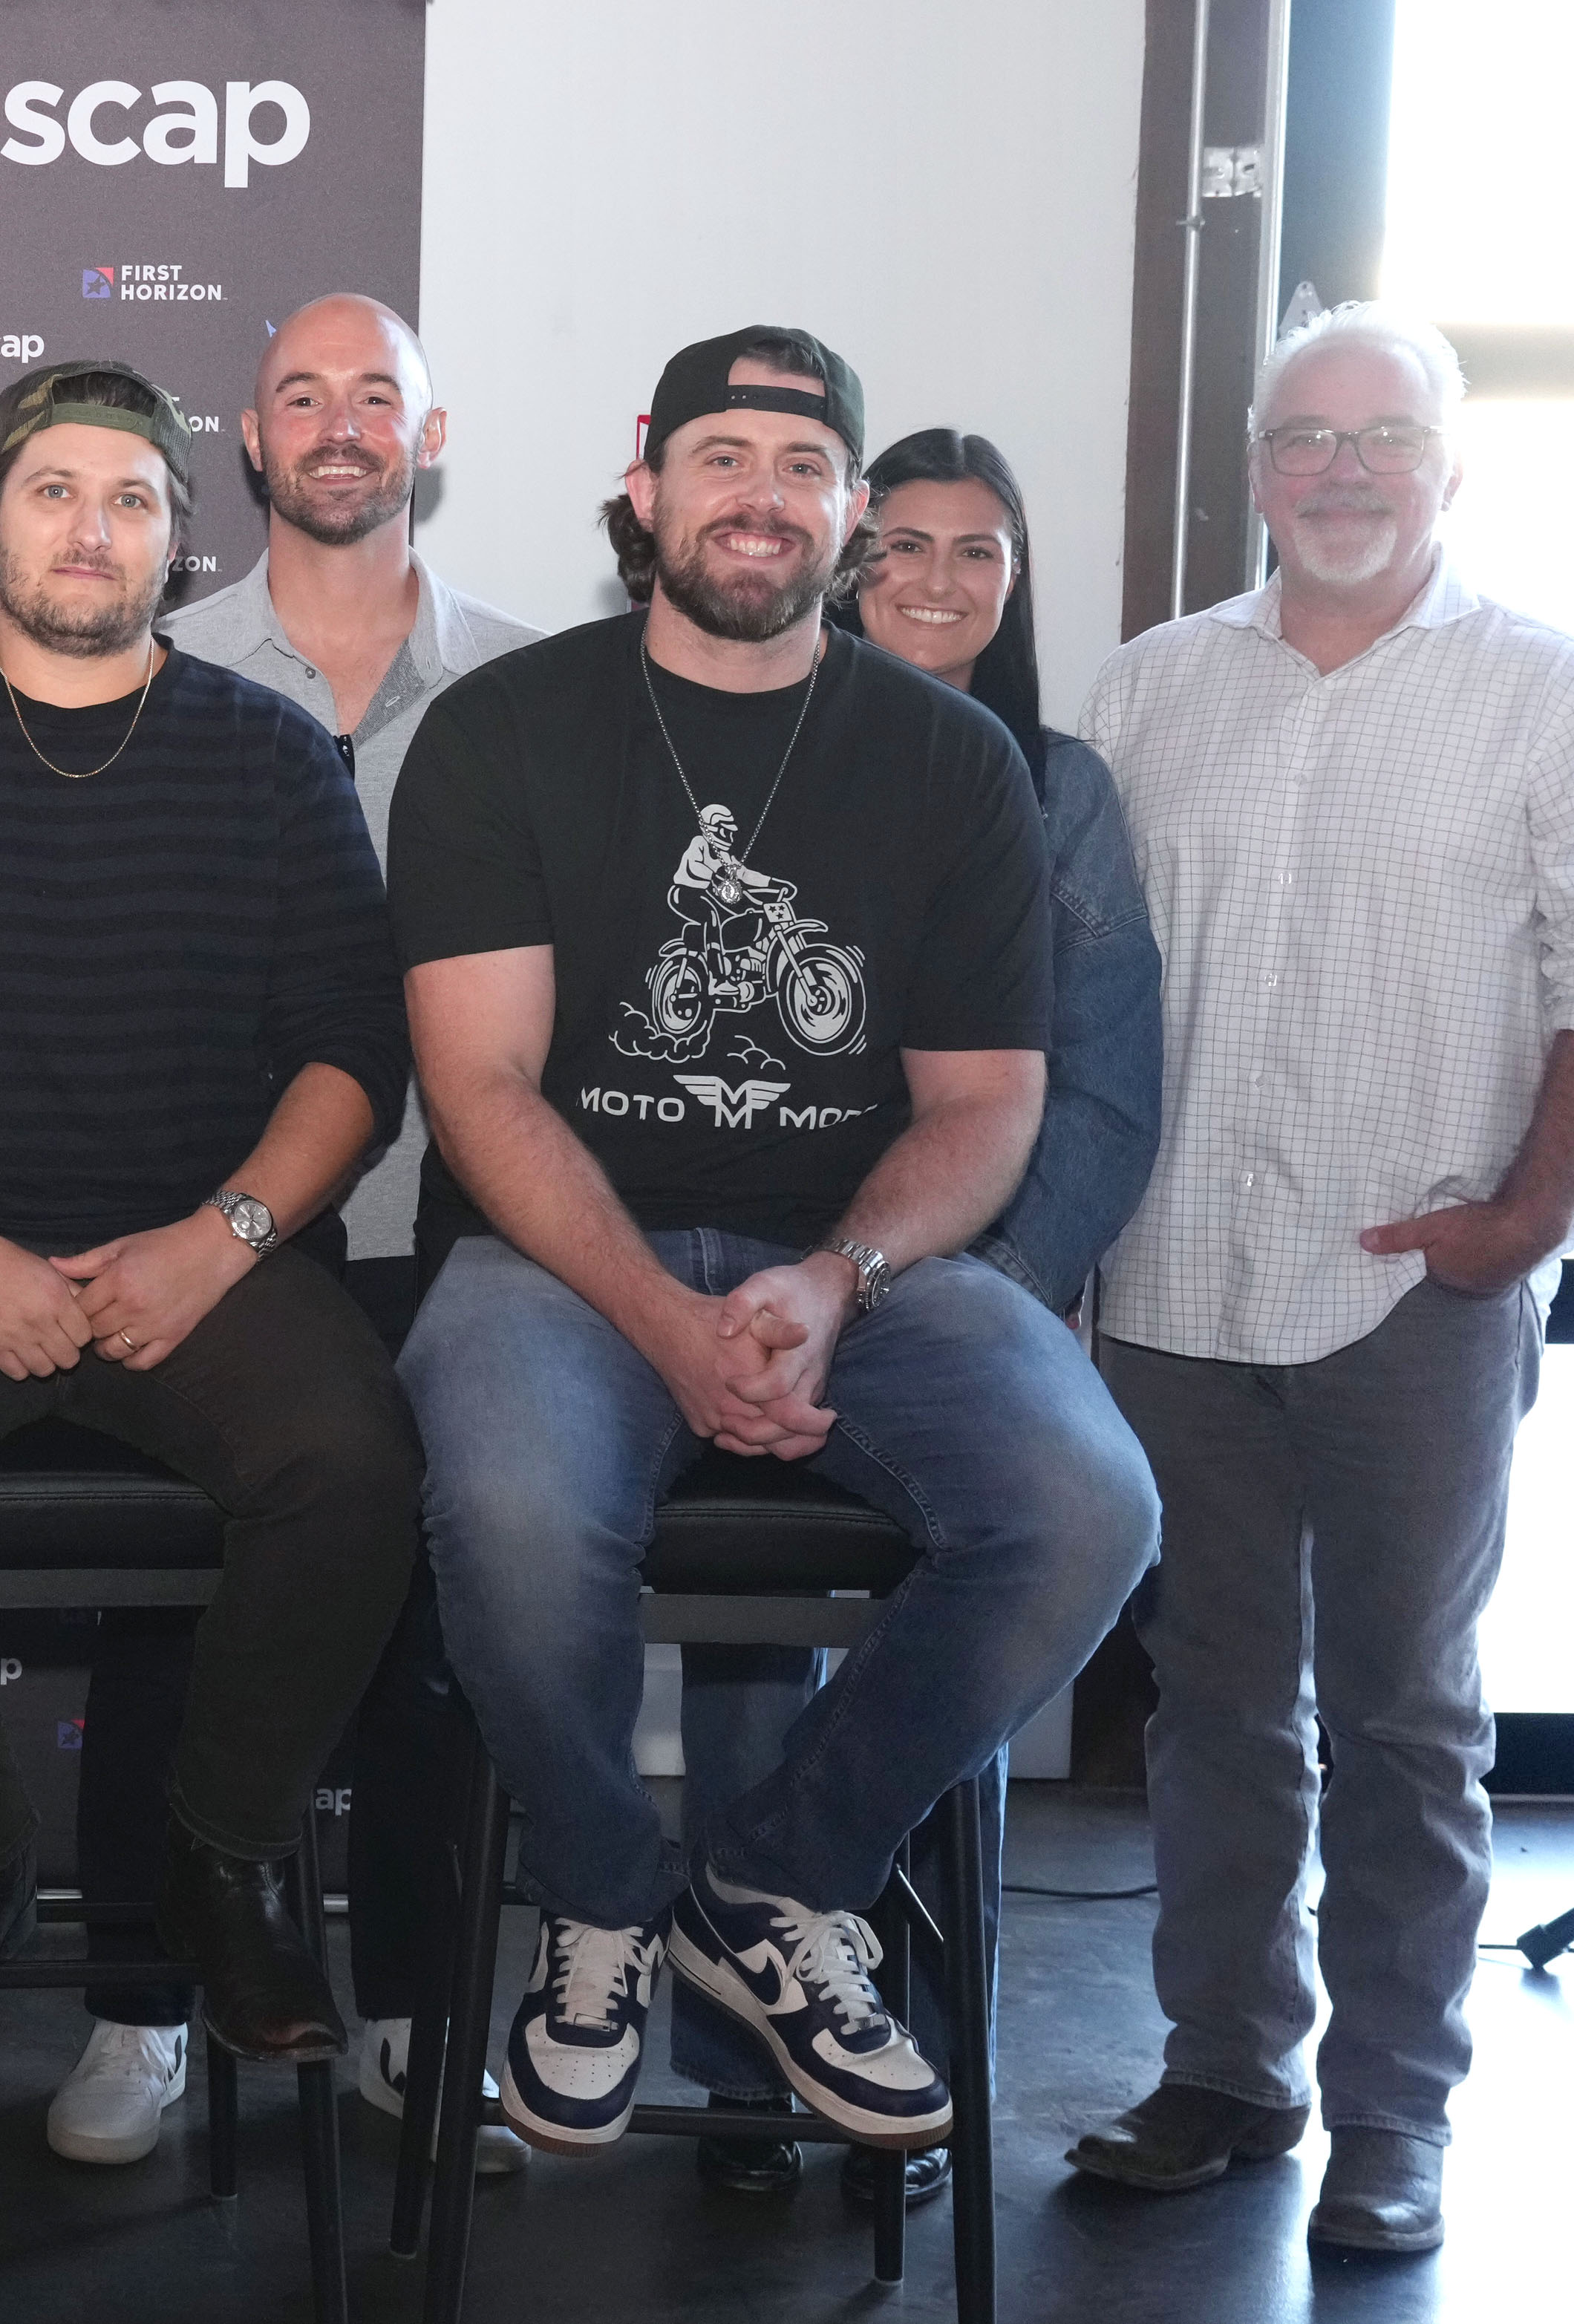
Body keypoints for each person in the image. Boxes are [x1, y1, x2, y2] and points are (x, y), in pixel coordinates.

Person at [392, 326, 1157, 2163]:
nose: (762, 496)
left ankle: (773, 1881)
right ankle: (599, 1895)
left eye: (804, 466)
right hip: (559, 1259)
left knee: (1091, 1502)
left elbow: (986, 1104)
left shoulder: (955, 760)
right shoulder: (502, 728)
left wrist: (832, 1281)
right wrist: (665, 1318)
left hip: (865, 1269)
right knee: (511, 1501)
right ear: (646, 487)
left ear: (850, 512)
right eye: (722, 456)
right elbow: (482, 1086)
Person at [1061, 302, 1574, 2255]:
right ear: (1254, 467)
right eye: (1303, 436)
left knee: (1408, 1717)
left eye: (1381, 435)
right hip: (1171, 1287)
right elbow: (1080, 982)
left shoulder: (1561, 695)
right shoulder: (1146, 688)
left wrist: (1525, 1217)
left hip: (1417, 1289)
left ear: (1447, 466)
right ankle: (1225, 2073)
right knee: (1215, 1703)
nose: (1340, 470)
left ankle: (1393, 2115)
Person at [0, 357, 421, 2079]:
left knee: (354, 1461)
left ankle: (222, 1853)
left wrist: (224, 1235)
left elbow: (353, 1048)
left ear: (182, 541)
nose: (89, 528)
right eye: (53, 492)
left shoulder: (273, 756)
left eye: (129, 500)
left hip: (207, 1257)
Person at [33, 290, 533, 2170]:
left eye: (375, 394)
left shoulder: (536, 689)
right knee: (165, 1618)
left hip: (464, 1233)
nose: (338, 425)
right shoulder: (142, 675)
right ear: (245, 443)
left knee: (436, 1635)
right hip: (210, 1242)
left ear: (430, 433)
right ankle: (141, 2001)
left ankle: (413, 2004)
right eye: (300, 396)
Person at [676, 422, 1166, 2204]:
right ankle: (744, 2074)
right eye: (902, 545)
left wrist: (1001, 1293)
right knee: (753, 1658)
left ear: (1017, 583)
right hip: (743, 1285)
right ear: (842, 555)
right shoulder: (740, 752)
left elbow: (1101, 1084)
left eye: (979, 551)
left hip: (952, 1289)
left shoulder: (1057, 786)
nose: (937, 581)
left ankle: (904, 2053)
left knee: (980, 1636)